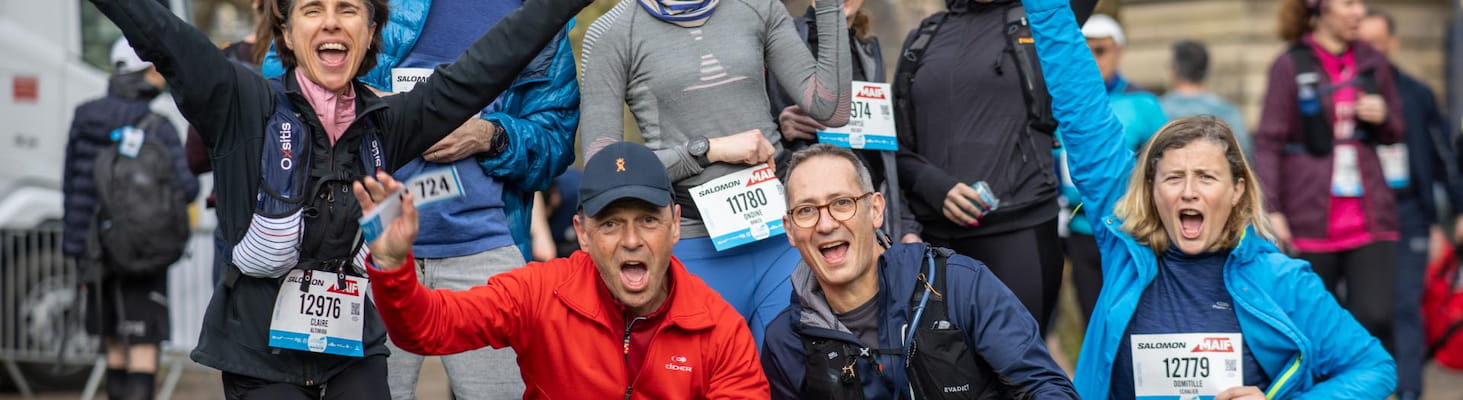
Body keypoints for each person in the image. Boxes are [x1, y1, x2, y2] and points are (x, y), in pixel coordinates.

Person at [83, 0, 593, 397]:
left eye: (348, 10)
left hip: (354, 347)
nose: (331, 23)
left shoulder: (385, 122)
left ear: (371, 33)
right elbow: (161, 35)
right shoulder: (242, 102)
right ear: (284, 31)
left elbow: (491, 61)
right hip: (261, 353)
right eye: (312, 10)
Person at [1022, 0, 1398, 397]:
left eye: (1205, 177)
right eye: (1173, 177)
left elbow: (1373, 367)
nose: (1188, 191)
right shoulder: (1126, 246)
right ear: (1151, 189)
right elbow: (1081, 107)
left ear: (1237, 190)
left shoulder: (1281, 279)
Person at [258, 0, 581, 396]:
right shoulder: (342, 13)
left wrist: (489, 135)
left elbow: (555, 143)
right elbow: (280, 75)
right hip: (360, 251)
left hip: (485, 250)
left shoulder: (531, 10)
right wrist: (362, 104)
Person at [356, 142, 769, 398]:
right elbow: (427, 328)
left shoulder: (719, 328)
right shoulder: (540, 292)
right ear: (582, 233)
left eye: (647, 220)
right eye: (609, 223)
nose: (630, 240)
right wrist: (392, 266)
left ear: (675, 225)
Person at [578, 0, 853, 345]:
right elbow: (602, 167)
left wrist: (828, 7)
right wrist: (708, 150)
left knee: (797, 379)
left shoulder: (759, 7)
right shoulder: (613, 31)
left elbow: (831, 107)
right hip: (692, 242)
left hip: (779, 236)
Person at [760, 144, 1078, 399]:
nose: (826, 224)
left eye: (842, 203)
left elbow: (1044, 386)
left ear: (876, 210)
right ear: (789, 230)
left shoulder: (958, 283)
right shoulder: (785, 341)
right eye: (806, 210)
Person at [892, 0, 1096, 335]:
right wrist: (933, 185)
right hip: (934, 241)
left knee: (1019, 375)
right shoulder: (924, 36)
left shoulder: (1041, 18)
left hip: (1020, 235)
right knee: (945, 377)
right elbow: (893, 146)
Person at [1254, 0, 1406, 360]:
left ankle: (1374, 387)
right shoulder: (1289, 64)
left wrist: (1383, 115)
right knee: (1312, 324)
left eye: (1362, 5)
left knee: (1376, 315)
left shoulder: (1373, 61)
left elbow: (1398, 129)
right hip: (1309, 215)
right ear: (1318, 7)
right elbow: (1269, 142)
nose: (1359, 13)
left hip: (1370, 215)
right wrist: (1271, 210)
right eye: (1349, 3)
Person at [62, 38, 200, 400]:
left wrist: (76, 247)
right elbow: (187, 189)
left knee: (114, 345)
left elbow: (72, 187)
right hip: (144, 253)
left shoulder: (84, 115)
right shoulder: (158, 125)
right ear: (148, 72)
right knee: (142, 343)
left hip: (96, 252)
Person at [1360, 9, 1463, 400]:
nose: (1370, 51)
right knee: (1369, 308)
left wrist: (1458, 208)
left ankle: (1408, 390)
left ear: (1393, 43)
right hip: (1361, 218)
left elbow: (1442, 156)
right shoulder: (1347, 94)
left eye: (1377, 42)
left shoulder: (1417, 94)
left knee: (1405, 305)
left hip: (1409, 215)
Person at [765, 0, 920, 243]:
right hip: (811, 216)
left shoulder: (868, 49)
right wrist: (779, 127)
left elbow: (879, 153)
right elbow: (748, 124)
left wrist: (905, 224)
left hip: (867, 212)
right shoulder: (783, 38)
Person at [1060, 13, 1169, 324]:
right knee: (1091, 323)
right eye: (1086, 50)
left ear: (1118, 51)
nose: (1093, 59)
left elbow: (1165, 163)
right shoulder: (1064, 101)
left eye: (1101, 51)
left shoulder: (1143, 104)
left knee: (1132, 321)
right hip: (1079, 230)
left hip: (1129, 229)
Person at [1161, 40, 1252, 154]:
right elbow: (1244, 153)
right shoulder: (1227, 111)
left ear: (1174, 70)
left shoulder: (1157, 109)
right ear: (1206, 70)